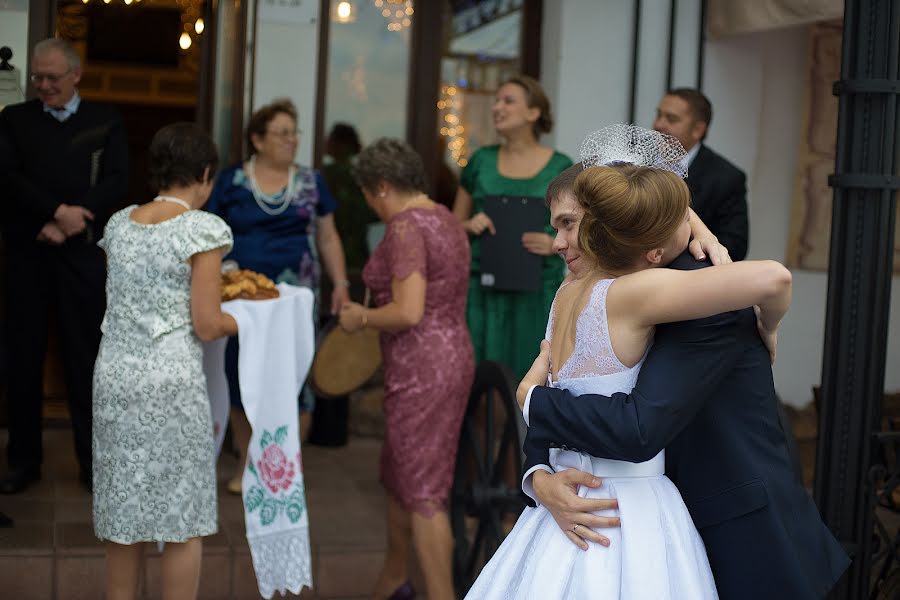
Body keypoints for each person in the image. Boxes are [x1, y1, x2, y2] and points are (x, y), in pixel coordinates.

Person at [467, 126, 801, 599]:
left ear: (604, 221)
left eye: (567, 224)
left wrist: (530, 399)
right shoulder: (621, 292)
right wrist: (769, 324)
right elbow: (774, 279)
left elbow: (584, 407)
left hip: (696, 513)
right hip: (625, 513)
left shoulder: (568, 296)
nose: (558, 242)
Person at [92, 122, 237, 600]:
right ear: (204, 173)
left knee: (122, 512)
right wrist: (252, 321)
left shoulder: (118, 224)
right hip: (170, 381)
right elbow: (207, 323)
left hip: (114, 375)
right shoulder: (202, 228)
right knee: (181, 518)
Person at [339, 138, 473, 600]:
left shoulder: (405, 227)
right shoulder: (447, 220)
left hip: (421, 366)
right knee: (404, 476)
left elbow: (408, 311)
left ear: (380, 187)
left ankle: (440, 593)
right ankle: (396, 575)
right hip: (452, 353)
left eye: (368, 196)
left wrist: (361, 318)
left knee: (424, 491)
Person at [0, 38, 128, 494]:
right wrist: (55, 212)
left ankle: (93, 464)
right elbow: (7, 177)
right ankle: (23, 461)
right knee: (22, 360)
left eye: (53, 77)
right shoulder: (14, 120)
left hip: (82, 257)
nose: (44, 85)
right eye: (38, 77)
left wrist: (74, 219)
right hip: (28, 255)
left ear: (77, 74)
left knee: (85, 362)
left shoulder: (105, 121)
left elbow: (117, 180)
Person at [206, 99, 349, 492]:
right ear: (257, 139)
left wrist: (340, 283)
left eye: (294, 131)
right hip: (242, 296)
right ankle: (247, 467)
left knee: (295, 378)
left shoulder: (311, 181)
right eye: (281, 132)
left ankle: (282, 469)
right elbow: (211, 234)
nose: (291, 139)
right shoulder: (232, 180)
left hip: (296, 296)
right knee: (240, 374)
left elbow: (328, 235)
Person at [452, 75, 572, 379]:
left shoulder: (561, 167)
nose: (497, 107)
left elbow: (582, 227)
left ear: (533, 113)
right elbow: (452, 226)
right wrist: (468, 225)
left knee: (533, 377)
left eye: (508, 101)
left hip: (536, 291)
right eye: (496, 100)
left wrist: (553, 244)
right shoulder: (480, 161)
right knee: (478, 378)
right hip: (483, 291)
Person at [653, 88, 749, 260]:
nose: (659, 125)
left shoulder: (726, 177)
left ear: (698, 129)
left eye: (671, 119)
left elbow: (735, 245)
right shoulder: (637, 157)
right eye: (659, 115)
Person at [322, 122, 376, 274]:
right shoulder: (361, 175)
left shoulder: (329, 174)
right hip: (356, 251)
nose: (326, 142)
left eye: (330, 139)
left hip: (343, 249)